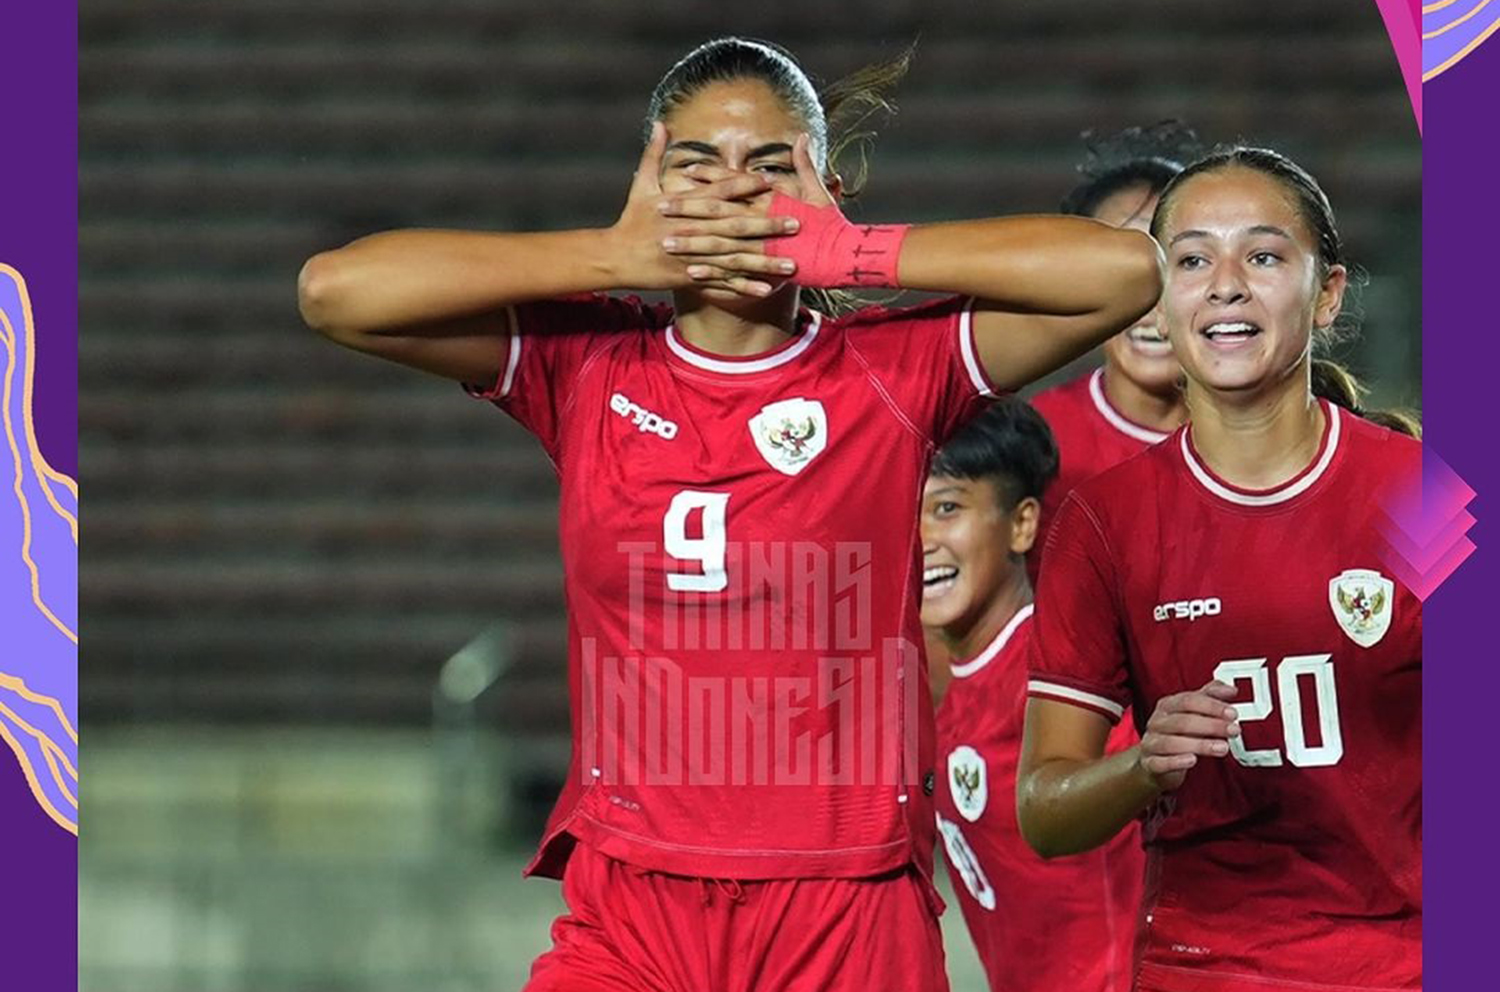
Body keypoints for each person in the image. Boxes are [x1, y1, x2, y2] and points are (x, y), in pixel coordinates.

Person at [299, 37, 1161, 992]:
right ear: (650, 182)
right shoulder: (585, 366)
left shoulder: (892, 370)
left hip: (843, 903)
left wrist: (851, 250)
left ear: (822, 182)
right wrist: (610, 253)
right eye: (695, 163)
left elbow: (1124, 272)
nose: (733, 192)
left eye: (769, 166)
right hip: (632, 903)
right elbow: (335, 293)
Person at [1018, 147, 1421, 992]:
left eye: (1264, 256)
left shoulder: (1421, 495)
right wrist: (1143, 765)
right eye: (1193, 259)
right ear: (1159, 299)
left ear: (1329, 295)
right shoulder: (1104, 520)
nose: (1226, 283)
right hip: (1203, 968)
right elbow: (1045, 813)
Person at [921, 398, 1139, 992]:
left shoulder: (1069, 681)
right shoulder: (959, 682)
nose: (921, 539)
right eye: (903, 510)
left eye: (946, 508)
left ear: (1022, 523)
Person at [1029, 122, 1200, 580]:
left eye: (1180, 263)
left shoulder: (1269, 435)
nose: (1150, 301)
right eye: (1124, 266)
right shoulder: (1039, 443)